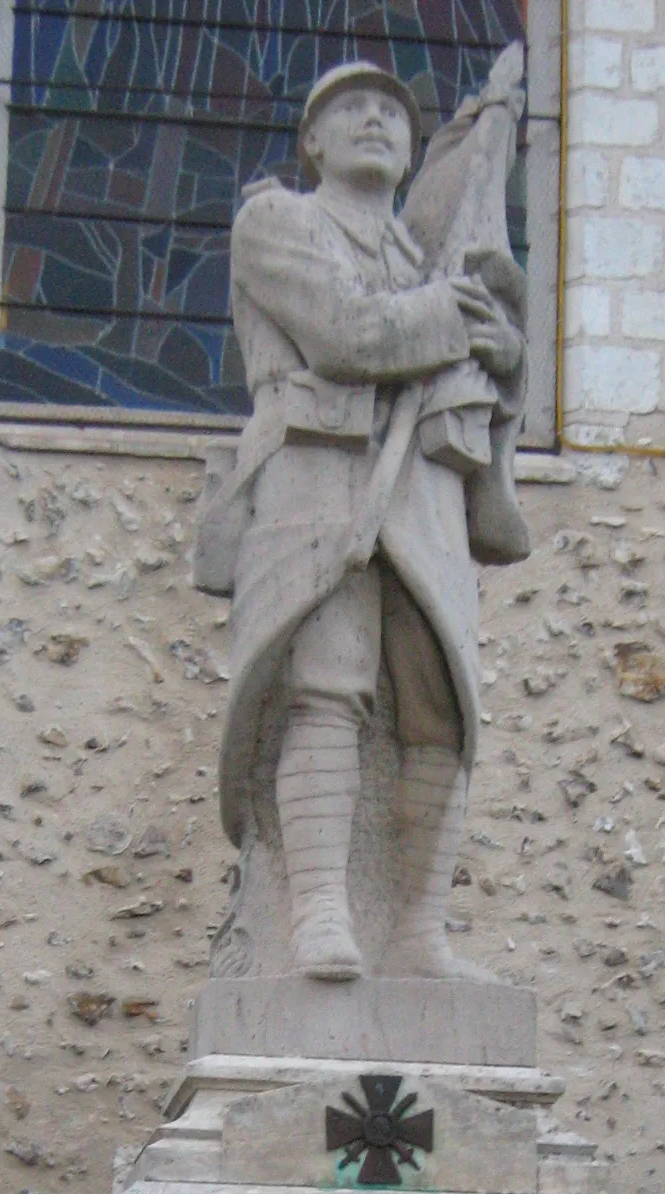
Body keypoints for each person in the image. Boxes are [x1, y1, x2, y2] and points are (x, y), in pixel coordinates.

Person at [194, 60, 528, 982]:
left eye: (391, 111)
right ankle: (317, 915)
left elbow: (471, 380)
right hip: (317, 474)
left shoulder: (430, 257)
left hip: (420, 489)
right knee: (328, 684)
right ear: (314, 141)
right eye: (352, 109)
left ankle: (420, 934)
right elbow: (346, 337)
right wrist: (457, 322)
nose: (375, 120)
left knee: (442, 705)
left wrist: (503, 357)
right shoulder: (277, 222)